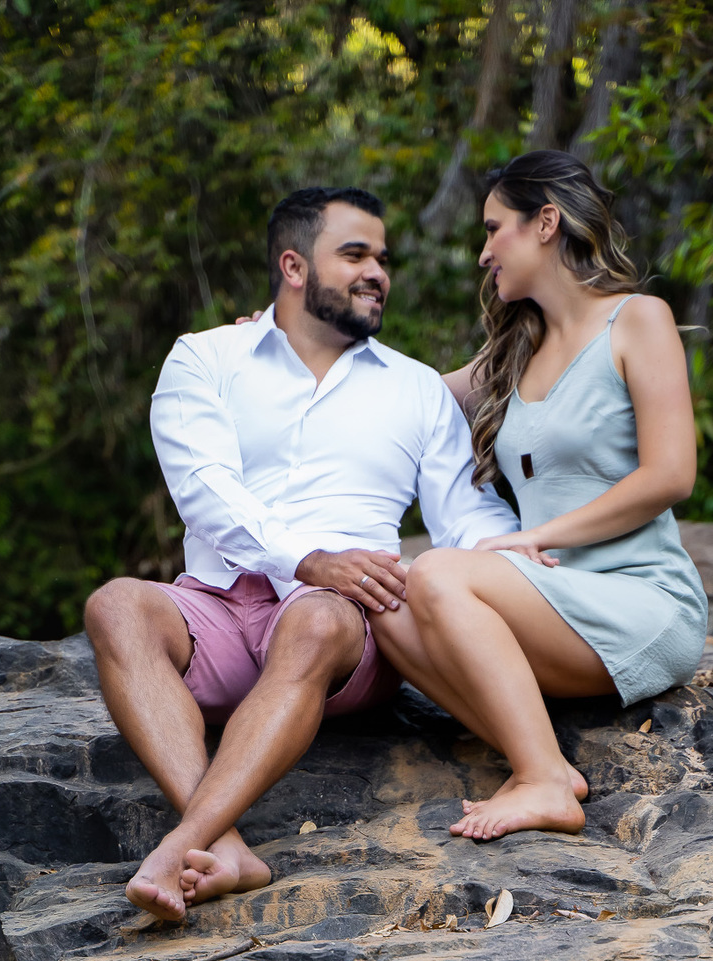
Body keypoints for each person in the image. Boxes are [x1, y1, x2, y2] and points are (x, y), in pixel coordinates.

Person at [85, 186, 517, 921]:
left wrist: (535, 555)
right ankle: (224, 843)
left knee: (316, 619)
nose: (377, 272)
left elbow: (465, 519)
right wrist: (307, 558)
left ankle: (184, 840)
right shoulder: (205, 357)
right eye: (354, 255)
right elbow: (205, 491)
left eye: (382, 259)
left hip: (343, 627)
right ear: (293, 266)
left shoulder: (415, 389)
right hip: (218, 608)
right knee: (116, 604)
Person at [370, 150, 708, 841]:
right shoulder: (514, 351)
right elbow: (401, 399)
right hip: (551, 603)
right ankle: (546, 762)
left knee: (436, 571)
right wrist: (288, 338)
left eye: (495, 229)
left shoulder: (636, 320)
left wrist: (538, 535)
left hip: (640, 600)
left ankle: (541, 780)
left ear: (546, 223)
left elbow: (671, 475)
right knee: (384, 599)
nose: (484, 252)